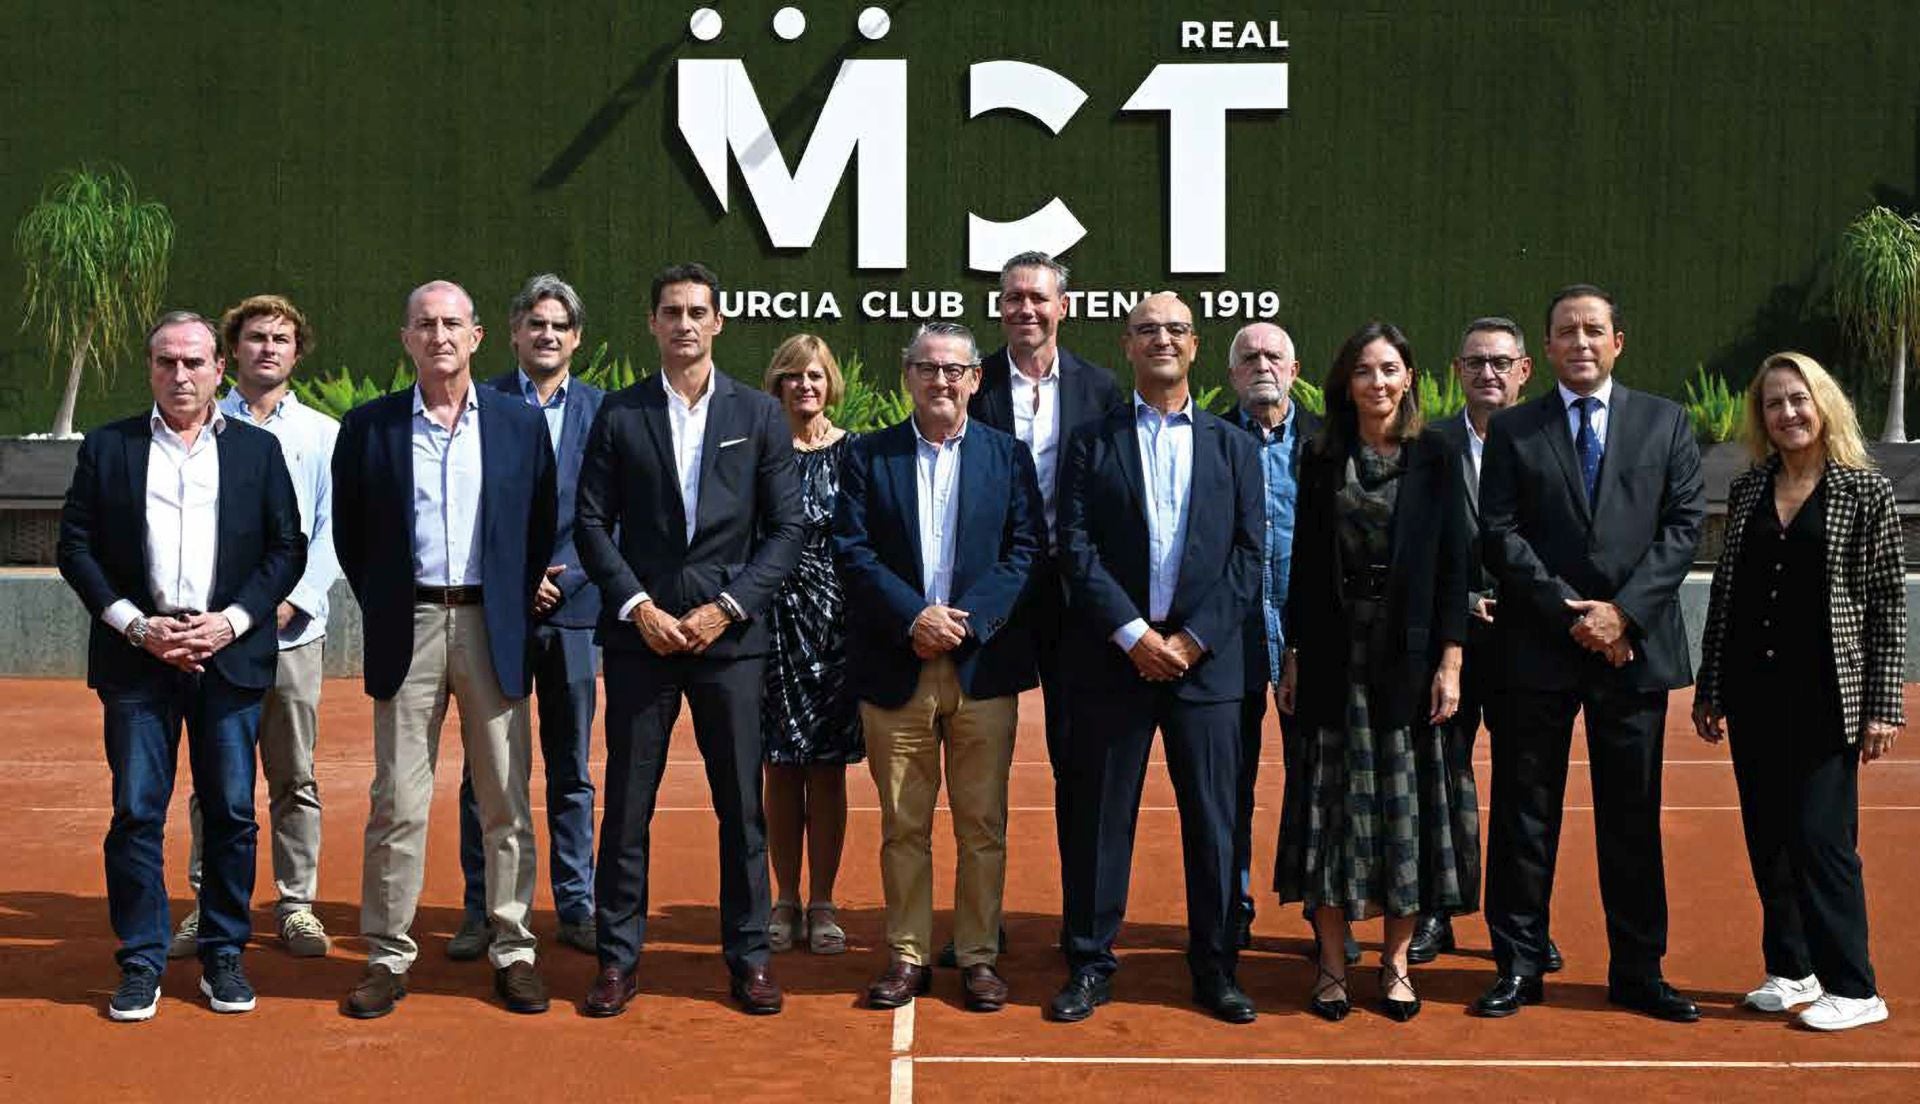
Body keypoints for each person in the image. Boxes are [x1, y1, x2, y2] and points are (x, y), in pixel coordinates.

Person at [57, 310, 305, 1020]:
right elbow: (75, 548)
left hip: (227, 661)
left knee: (230, 812)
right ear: (151, 369)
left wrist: (230, 622)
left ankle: (224, 954)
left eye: (195, 363)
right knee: (137, 813)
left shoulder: (258, 453)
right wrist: (137, 626)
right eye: (167, 362)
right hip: (139, 663)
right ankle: (140, 961)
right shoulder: (109, 448)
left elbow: (286, 549)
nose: (181, 375)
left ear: (218, 370)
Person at [575, 263, 804, 1017]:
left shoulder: (760, 414)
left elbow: (787, 530)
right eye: (671, 311)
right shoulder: (619, 413)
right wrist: (638, 606)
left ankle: (749, 959)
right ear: (652, 323)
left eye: (698, 311)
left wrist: (728, 608)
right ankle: (616, 960)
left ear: (719, 321)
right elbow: (591, 524)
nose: (685, 324)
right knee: (628, 808)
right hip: (643, 642)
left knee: (740, 808)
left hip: (730, 646)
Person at [1472, 284, 1705, 1022]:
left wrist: (1624, 616)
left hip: (1630, 653)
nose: (1579, 342)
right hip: (1538, 647)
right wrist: (1569, 612)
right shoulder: (1514, 430)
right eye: (1565, 332)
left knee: (1630, 817)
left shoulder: (1666, 423)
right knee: (1523, 814)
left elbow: (1682, 527)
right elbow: (1499, 533)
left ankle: (1638, 970)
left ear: (1617, 342)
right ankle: (1518, 963)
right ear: (1546, 350)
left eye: (1593, 330)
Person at [333, 280, 558, 1018]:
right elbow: (352, 536)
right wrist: (393, 603)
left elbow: (537, 525)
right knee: (397, 801)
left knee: (505, 798)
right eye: (424, 324)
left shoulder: (521, 427)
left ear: (478, 335)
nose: (439, 336)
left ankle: (514, 947)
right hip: (412, 626)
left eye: (451, 323)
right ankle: (388, 955)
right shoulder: (369, 429)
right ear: (405, 338)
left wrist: (510, 603)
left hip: (495, 627)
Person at [1050, 292, 1264, 1025]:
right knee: (1099, 818)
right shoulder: (1090, 441)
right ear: (1127, 345)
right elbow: (1073, 547)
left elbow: (1249, 555)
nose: (1161, 339)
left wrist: (1191, 640)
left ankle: (1216, 966)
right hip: (1115, 661)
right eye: (1147, 330)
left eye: (1174, 329)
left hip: (1208, 667)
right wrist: (1135, 635)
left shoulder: (1234, 446)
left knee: (1214, 822)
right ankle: (1089, 962)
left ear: (1196, 346)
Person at [835, 321, 1045, 1013]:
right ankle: (906, 954)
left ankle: (979, 955)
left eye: (955, 369)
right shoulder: (869, 456)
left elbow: (1024, 552)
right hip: (897, 665)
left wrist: (966, 621)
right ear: (908, 375)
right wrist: (913, 618)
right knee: (904, 824)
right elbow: (853, 551)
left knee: (982, 824)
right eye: (928, 368)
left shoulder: (1007, 456)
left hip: (982, 665)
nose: (942, 380)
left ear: (976, 379)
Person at [1694, 351, 1905, 1032]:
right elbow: (1726, 594)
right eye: (1774, 403)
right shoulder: (1752, 488)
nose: (1787, 413)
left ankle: (1855, 984)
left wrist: (1882, 705)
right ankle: (1792, 970)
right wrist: (1711, 687)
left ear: (1824, 404)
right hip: (1755, 691)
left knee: (1822, 840)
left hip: (1827, 696)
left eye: (1798, 399)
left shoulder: (1862, 491)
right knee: (1770, 839)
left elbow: (1884, 605)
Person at [1275, 322, 1470, 1023]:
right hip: (1332, 656)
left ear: (1409, 376)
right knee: (1329, 814)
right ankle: (1331, 964)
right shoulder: (1321, 455)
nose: (1378, 383)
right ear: (1346, 382)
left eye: (1390, 369)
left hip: (1408, 664)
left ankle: (1394, 965)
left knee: (1404, 816)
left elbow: (1456, 565)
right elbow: (1300, 567)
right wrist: (1292, 650)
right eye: (1365, 371)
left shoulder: (1437, 456)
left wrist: (1450, 659)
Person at [165, 296, 338, 961]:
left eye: (282, 338)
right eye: (256, 337)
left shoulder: (324, 435)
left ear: (297, 352)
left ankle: (296, 907)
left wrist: (294, 598)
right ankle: (209, 904)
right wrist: (223, 616)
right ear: (231, 350)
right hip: (218, 639)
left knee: (294, 777)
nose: (268, 347)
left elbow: (333, 530)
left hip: (293, 636)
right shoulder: (200, 426)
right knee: (216, 779)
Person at [967, 251, 1123, 953]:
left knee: (1080, 763)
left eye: (1037, 298)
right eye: (1011, 299)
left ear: (1064, 306)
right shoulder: (973, 384)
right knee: (978, 768)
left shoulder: (1101, 387)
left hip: (1076, 602)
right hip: (993, 595)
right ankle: (977, 924)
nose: (1024, 310)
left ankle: (1082, 929)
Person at [449, 274, 606, 962]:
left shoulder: (604, 412)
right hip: (496, 615)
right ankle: (482, 908)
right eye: (534, 324)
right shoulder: (474, 405)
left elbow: (612, 514)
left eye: (558, 326)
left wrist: (563, 579)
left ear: (576, 338)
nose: (546, 335)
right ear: (512, 333)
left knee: (570, 768)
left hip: (575, 612)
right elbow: (464, 507)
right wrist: (515, 581)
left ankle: (576, 904)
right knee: (486, 769)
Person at [1412, 318, 1562, 973]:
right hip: (1449, 643)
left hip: (1529, 644)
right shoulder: (1429, 445)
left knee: (1526, 795)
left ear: (1525, 370)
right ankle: (1434, 912)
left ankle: (1526, 927)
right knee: (1441, 785)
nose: (1488, 374)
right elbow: (1413, 545)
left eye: (1501, 363)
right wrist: (1463, 601)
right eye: (1475, 363)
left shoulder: (1548, 439)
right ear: (1457, 370)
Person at [1222, 321, 1325, 955]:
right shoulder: (1208, 438)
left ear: (1294, 369)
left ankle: (1325, 915)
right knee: (1228, 784)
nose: (1262, 364)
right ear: (1231, 374)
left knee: (1315, 783)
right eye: (1249, 357)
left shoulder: (1329, 442)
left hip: (1310, 641)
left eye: (1274, 355)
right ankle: (1230, 909)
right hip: (1227, 640)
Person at [760, 333, 863, 956]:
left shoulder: (855, 454)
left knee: (825, 769)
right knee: (778, 764)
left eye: (816, 376)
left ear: (831, 385)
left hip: (836, 629)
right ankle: (783, 899)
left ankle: (822, 902)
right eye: (794, 375)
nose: (805, 385)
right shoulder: (758, 450)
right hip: (771, 623)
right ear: (777, 383)